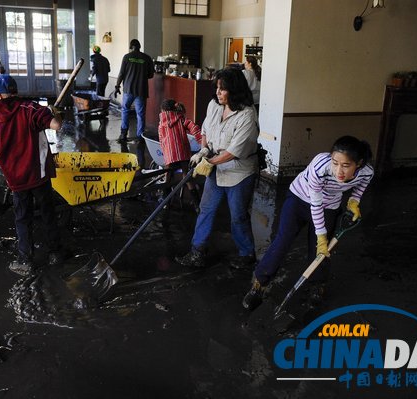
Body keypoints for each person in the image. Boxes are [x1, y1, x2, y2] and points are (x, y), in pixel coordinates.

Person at [242, 136, 374, 311]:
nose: (338, 171)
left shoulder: (367, 172)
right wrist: (321, 236)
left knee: (320, 251)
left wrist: (354, 201)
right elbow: (316, 204)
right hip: (299, 199)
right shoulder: (320, 165)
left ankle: (317, 286)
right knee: (283, 241)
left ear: (359, 163)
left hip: (330, 206)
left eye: (346, 165)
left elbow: (361, 185)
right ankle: (259, 284)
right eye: (335, 163)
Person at [175, 68, 259, 269]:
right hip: (216, 167)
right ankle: (198, 251)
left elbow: (234, 151)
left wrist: (208, 162)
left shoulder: (247, 115)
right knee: (206, 209)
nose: (218, 93)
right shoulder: (214, 105)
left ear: (235, 89)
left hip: (239, 172)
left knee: (238, 216)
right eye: (218, 88)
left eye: (223, 89)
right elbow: (205, 130)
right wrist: (204, 150)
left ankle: (247, 254)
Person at [0, 74, 66, 276]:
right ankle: (55, 253)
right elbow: (56, 125)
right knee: (48, 212)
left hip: (16, 179)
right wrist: (55, 113)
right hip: (38, 175)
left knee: (22, 218)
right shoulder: (31, 110)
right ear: (15, 91)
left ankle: (25, 261)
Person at [157, 99, 203, 212]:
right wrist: (201, 140)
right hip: (182, 152)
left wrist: (166, 154)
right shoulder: (181, 118)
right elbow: (193, 127)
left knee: (167, 176)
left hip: (170, 155)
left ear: (163, 111)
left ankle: (165, 201)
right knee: (187, 176)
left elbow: (161, 141)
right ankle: (197, 205)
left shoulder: (161, 124)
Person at [114, 39, 154, 166]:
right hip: (141, 90)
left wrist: (117, 86)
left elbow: (121, 73)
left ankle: (123, 134)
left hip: (128, 90)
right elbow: (151, 75)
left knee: (125, 110)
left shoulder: (127, 57)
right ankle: (140, 137)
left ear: (131, 47)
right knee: (140, 114)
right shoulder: (147, 58)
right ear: (139, 47)